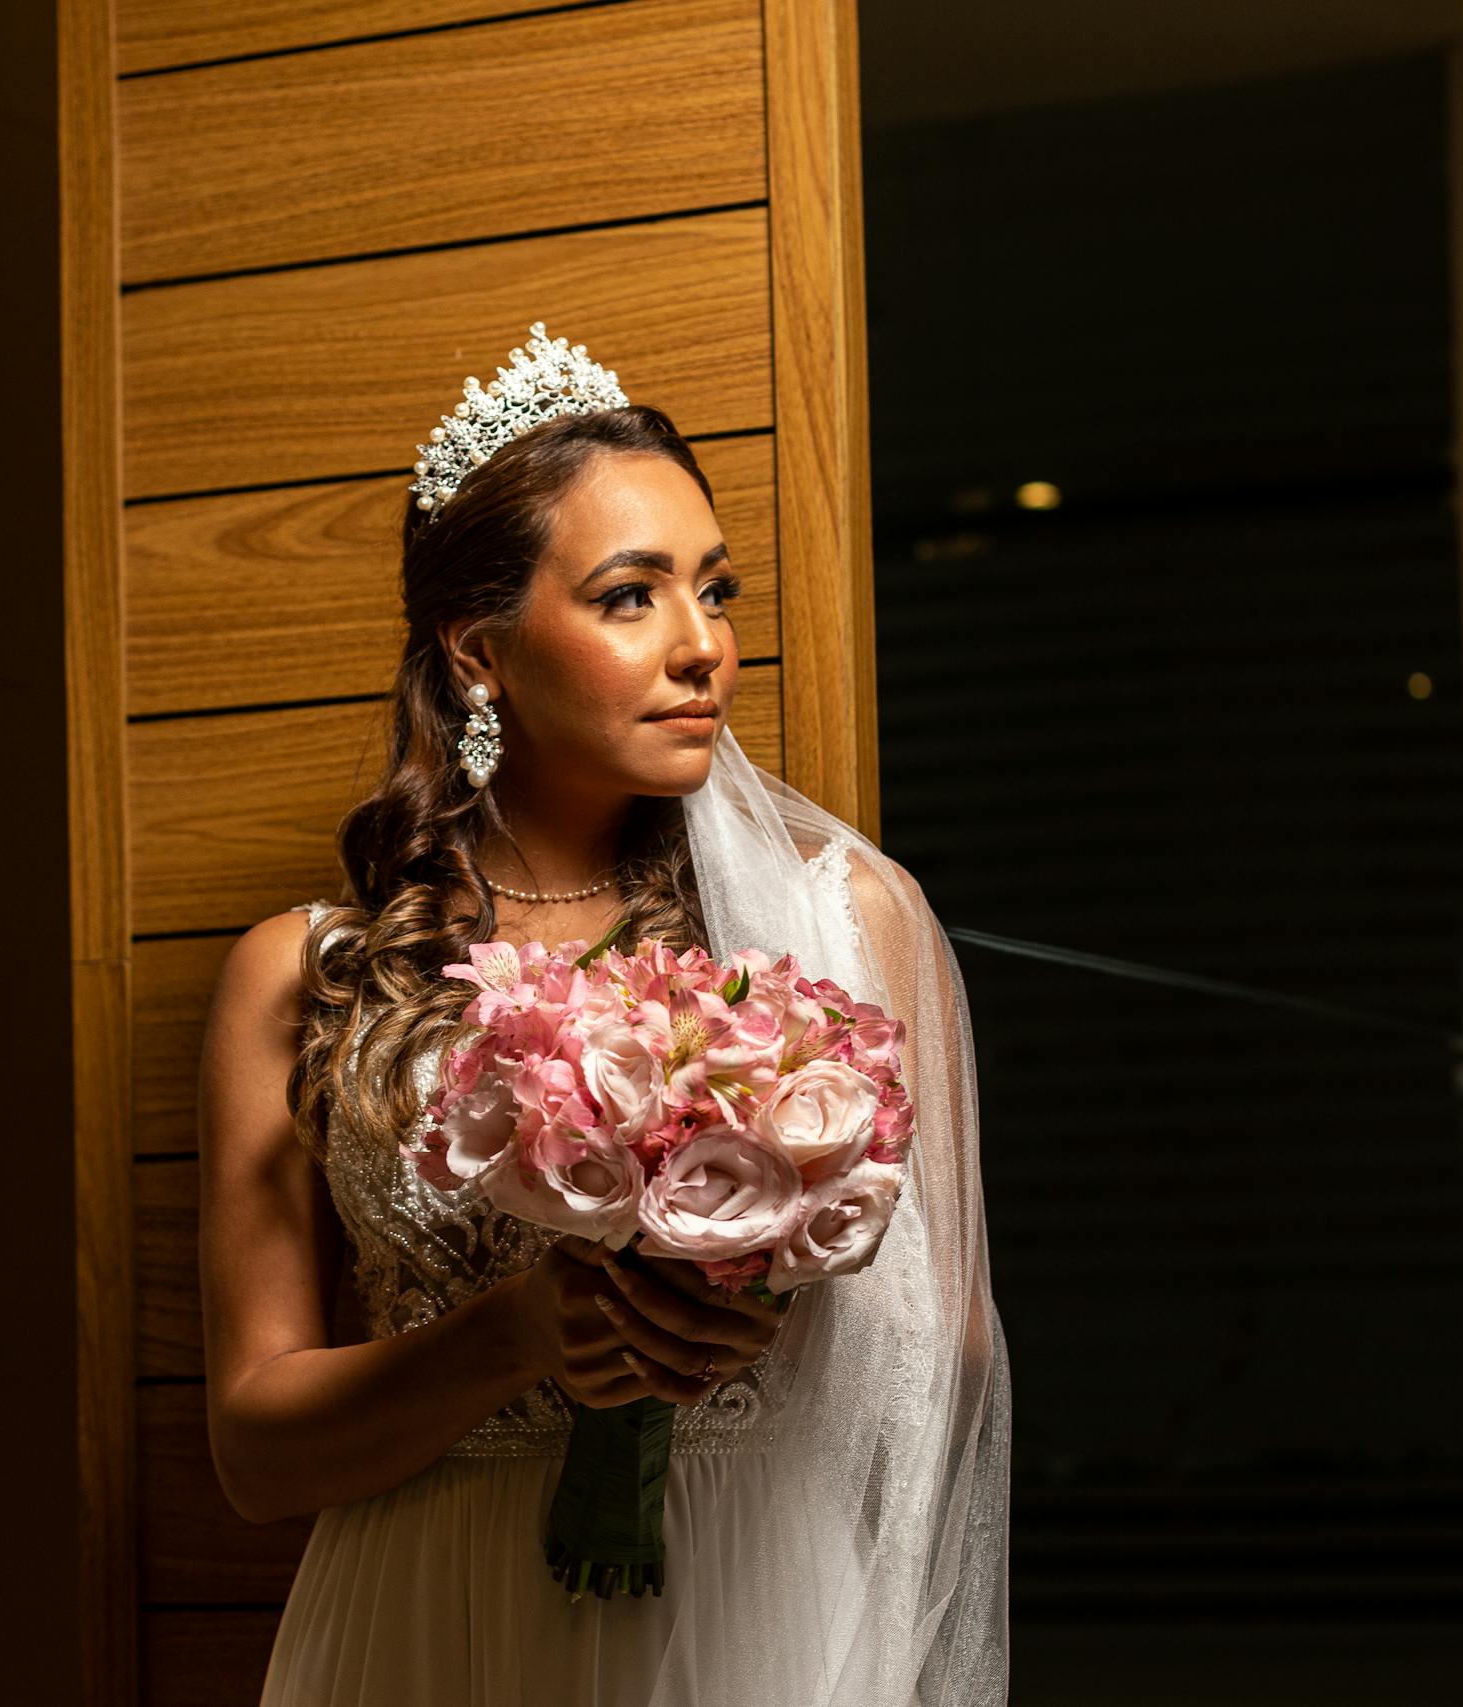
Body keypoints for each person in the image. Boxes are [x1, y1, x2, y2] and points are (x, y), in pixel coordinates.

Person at [196, 325, 1012, 1705]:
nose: (705, 649)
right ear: (481, 650)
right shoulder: (306, 973)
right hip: (429, 1624)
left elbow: (953, 1355)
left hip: (756, 1606)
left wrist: (739, 1302)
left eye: (716, 589)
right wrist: (512, 1336)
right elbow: (255, 1455)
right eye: (632, 597)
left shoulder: (843, 921)